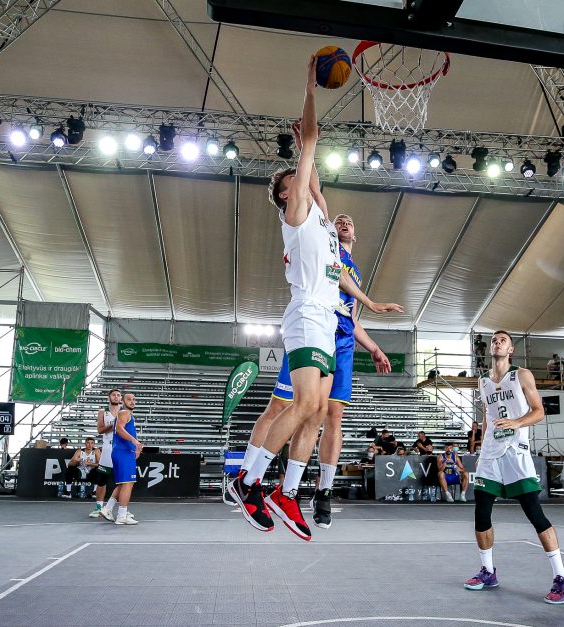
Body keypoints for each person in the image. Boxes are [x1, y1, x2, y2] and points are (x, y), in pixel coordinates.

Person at [228, 55, 401, 541]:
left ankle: (288, 491)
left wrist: (367, 305)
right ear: (287, 196)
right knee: (303, 405)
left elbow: (317, 181)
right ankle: (249, 481)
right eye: (296, 182)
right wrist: (309, 87)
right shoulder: (297, 215)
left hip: (329, 321)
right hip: (305, 314)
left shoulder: (325, 222)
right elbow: (309, 145)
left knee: (321, 411)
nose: (304, 183)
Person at [465, 330, 564, 604]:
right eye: (493, 340)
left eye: (502, 340)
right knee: (481, 512)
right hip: (491, 454)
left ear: (511, 349)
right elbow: (487, 418)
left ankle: (563, 579)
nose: (497, 342)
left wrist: (516, 422)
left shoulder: (521, 375)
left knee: (534, 513)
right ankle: (488, 571)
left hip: (516, 451)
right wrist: (481, 450)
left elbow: (539, 411)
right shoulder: (482, 381)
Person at [100, 393, 143, 525]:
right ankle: (121, 516)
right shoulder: (124, 413)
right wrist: (135, 441)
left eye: (134, 399)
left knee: (123, 484)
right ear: (123, 402)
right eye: (129, 399)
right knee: (128, 484)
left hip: (122, 451)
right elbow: (119, 429)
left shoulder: (126, 414)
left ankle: (108, 509)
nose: (132, 401)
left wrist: (135, 446)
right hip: (123, 452)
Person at [90, 388, 120, 517]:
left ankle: (121, 509)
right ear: (109, 397)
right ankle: (98, 507)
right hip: (108, 447)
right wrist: (113, 425)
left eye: (118, 395)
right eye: (113, 395)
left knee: (123, 481)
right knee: (102, 479)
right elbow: (100, 430)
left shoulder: (124, 411)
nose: (116, 397)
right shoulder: (103, 411)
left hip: (121, 447)